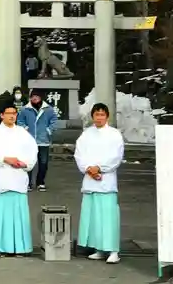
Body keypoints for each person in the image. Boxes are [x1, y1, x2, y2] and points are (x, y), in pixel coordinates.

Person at [0, 99, 38, 256]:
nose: (12, 116)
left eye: (14, 113)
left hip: (18, 178)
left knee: (18, 216)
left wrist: (23, 163)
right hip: (1, 178)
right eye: (9, 113)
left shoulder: (23, 133)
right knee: (0, 215)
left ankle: (19, 248)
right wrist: (6, 159)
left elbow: (33, 152)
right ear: (1, 115)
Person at [75, 102, 124, 264]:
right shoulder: (86, 134)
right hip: (90, 181)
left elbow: (116, 157)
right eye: (97, 115)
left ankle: (113, 250)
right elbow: (79, 154)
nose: (99, 118)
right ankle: (99, 248)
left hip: (106, 181)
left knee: (108, 217)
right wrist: (89, 169)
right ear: (93, 116)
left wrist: (100, 168)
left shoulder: (114, 134)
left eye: (102, 115)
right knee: (94, 217)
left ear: (107, 116)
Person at [17, 89, 57, 192]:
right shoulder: (25, 109)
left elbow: (54, 121)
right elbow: (20, 121)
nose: (34, 98)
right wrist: (25, 130)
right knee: (29, 163)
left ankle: (40, 182)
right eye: (33, 96)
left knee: (43, 163)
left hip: (43, 140)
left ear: (41, 97)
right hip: (29, 141)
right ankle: (28, 183)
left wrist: (48, 130)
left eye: (37, 96)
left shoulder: (48, 109)